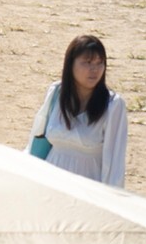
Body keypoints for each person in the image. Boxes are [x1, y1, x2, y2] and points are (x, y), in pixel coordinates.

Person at [29, 34, 126, 188]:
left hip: (88, 189)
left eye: (100, 63)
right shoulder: (56, 93)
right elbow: (36, 139)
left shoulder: (114, 105)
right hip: (49, 184)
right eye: (87, 63)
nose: (94, 69)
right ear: (70, 64)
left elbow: (115, 163)